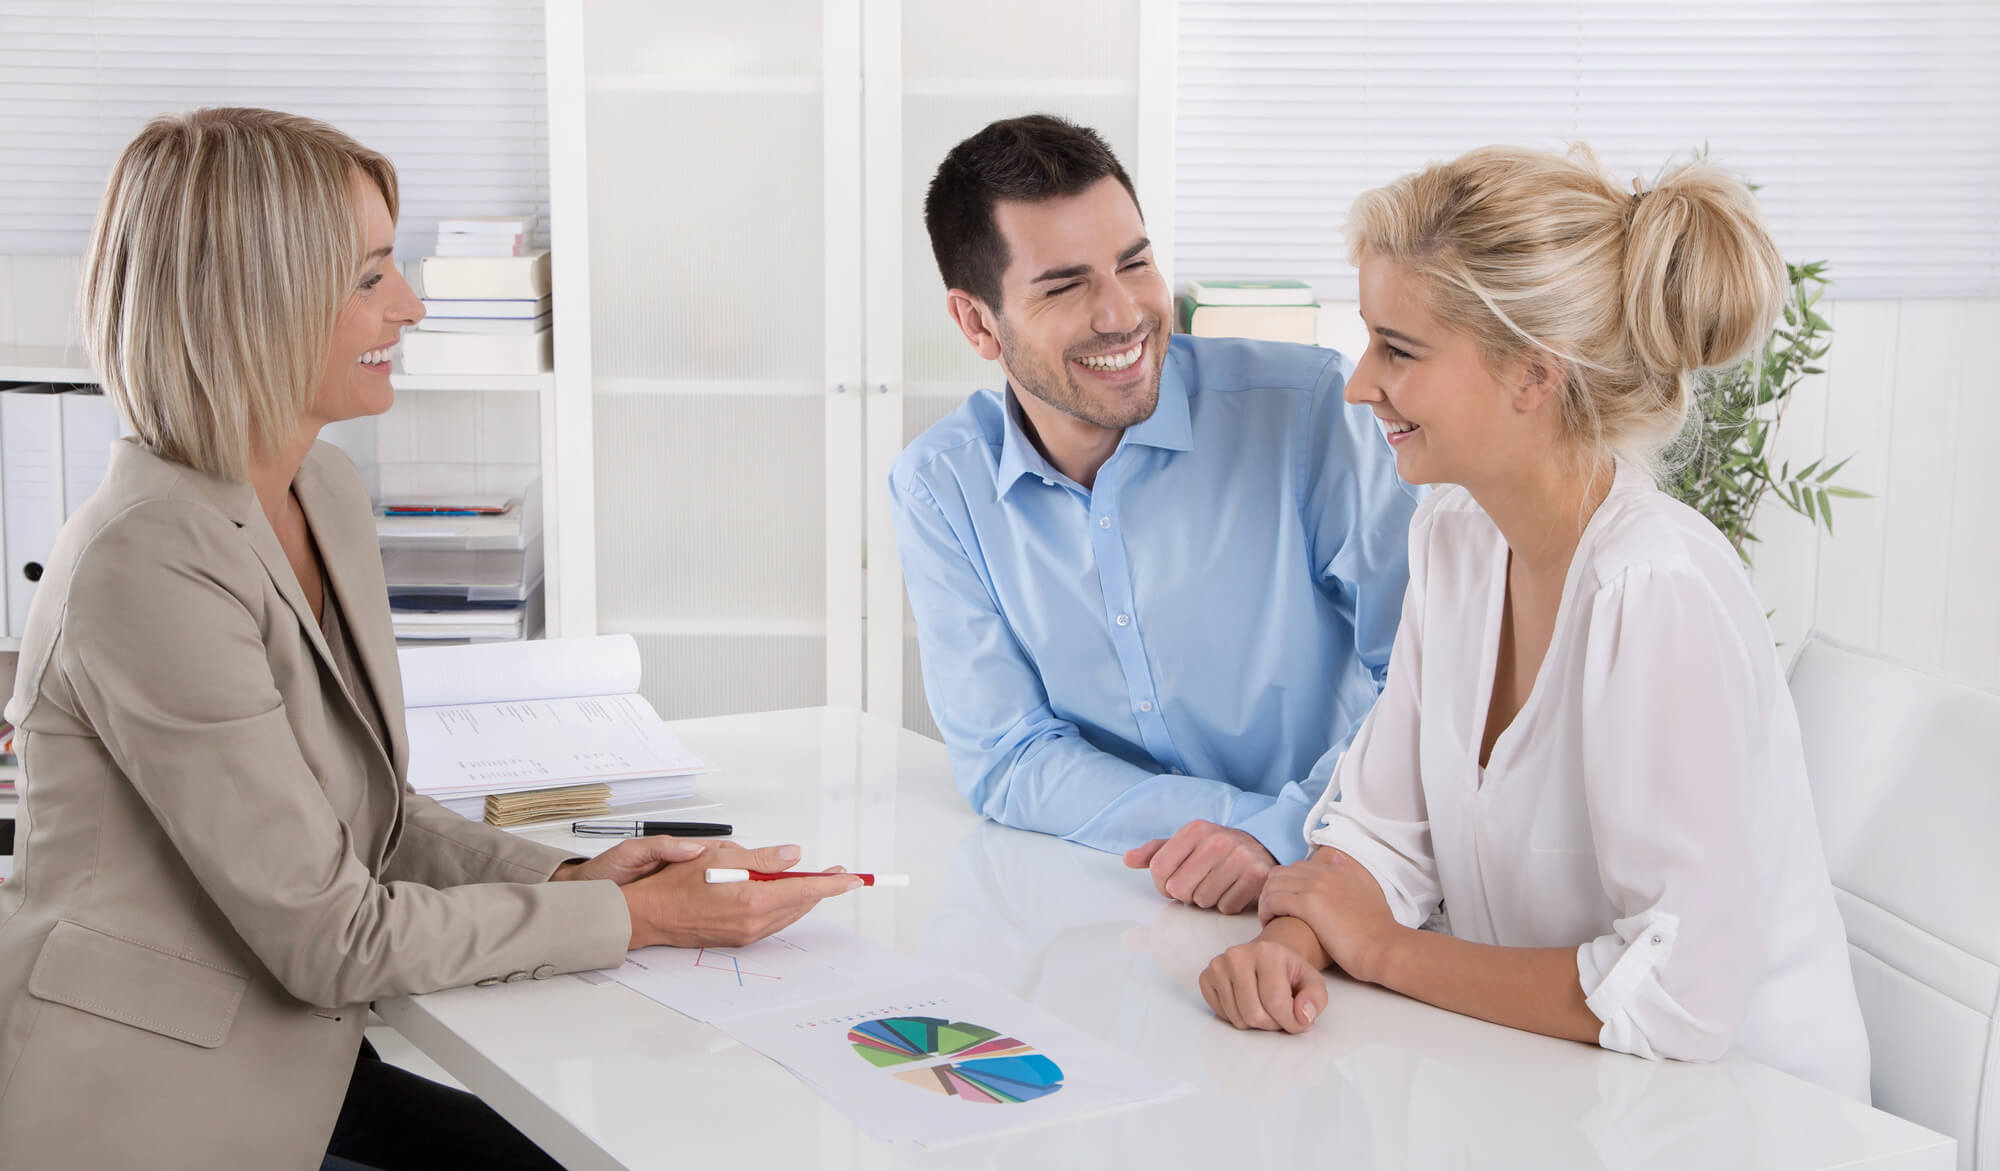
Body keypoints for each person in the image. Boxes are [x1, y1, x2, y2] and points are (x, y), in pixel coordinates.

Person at [0, 108, 861, 1171]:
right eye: (369, 278)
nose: (406, 305)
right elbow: (333, 934)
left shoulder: (320, 488)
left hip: (302, 1050)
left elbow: (370, 821)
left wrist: (585, 881)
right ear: (252, 305)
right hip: (157, 1107)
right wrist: (645, 923)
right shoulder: (147, 565)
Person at [1198, 144, 1870, 1099]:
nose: (1358, 383)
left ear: (1532, 375)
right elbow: (1381, 832)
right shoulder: (1455, 540)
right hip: (1570, 1092)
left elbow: (1677, 995)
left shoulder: (1652, 588)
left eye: (1400, 347)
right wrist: (1291, 943)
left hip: (1755, 1116)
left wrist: (1381, 950)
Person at [891, 115, 1420, 915]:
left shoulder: (1310, 412)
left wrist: (1285, 833)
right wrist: (1234, 831)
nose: (1122, 314)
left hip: (1348, 878)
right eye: (1066, 285)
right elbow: (1008, 755)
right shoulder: (940, 488)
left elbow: (1422, 682)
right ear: (976, 323)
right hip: (1116, 897)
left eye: (1134, 263)